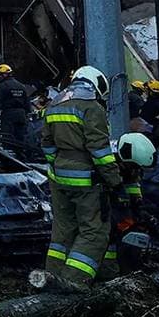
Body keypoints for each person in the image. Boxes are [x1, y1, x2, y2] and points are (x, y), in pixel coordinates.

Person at [41, 65, 122, 288]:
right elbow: (100, 152)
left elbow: (46, 145)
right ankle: (72, 282)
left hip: (58, 178)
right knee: (93, 232)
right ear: (96, 84)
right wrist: (114, 180)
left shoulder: (54, 105)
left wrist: (57, 168)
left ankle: (51, 277)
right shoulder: (91, 108)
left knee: (63, 230)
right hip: (86, 179)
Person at [100, 131, 156, 279]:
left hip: (113, 197)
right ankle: (107, 270)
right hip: (98, 199)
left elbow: (132, 182)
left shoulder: (130, 165)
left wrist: (138, 204)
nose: (137, 171)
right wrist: (123, 219)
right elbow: (106, 195)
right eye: (135, 167)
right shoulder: (107, 163)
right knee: (111, 229)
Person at [0, 64, 35, 151]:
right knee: (20, 137)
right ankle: (21, 155)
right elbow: (27, 102)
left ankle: (9, 157)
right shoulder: (21, 86)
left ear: (4, 74)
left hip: (8, 115)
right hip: (21, 115)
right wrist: (28, 113)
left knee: (7, 138)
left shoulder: (3, 86)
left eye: (0, 75)